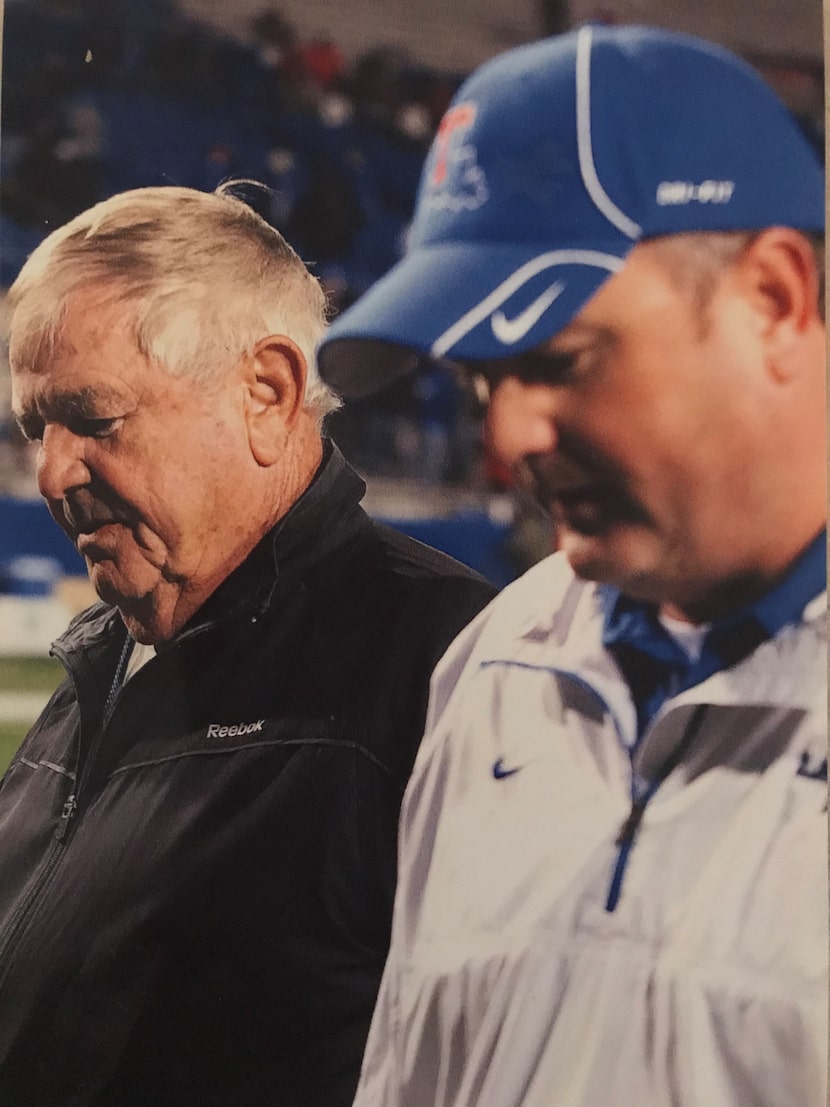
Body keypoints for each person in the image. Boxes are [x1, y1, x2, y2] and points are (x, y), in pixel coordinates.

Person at [315, 24, 827, 1107]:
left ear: (773, 299)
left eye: (558, 361)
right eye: (479, 381)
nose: (507, 445)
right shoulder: (495, 659)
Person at [0, 183, 496, 1106]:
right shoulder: (106, 659)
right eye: (38, 426)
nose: (52, 471)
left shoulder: (447, 667)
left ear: (267, 392)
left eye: (94, 419)